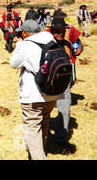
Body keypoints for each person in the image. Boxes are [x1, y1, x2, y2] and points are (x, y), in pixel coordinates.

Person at [10, 20, 65, 160]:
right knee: (44, 122)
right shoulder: (51, 40)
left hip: (33, 95)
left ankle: (38, 157)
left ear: (24, 32)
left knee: (32, 129)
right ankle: (39, 152)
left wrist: (19, 45)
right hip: (53, 93)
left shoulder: (26, 45)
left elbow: (14, 63)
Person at [47, 17, 83, 151]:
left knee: (65, 110)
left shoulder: (68, 44)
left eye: (62, 31)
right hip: (47, 83)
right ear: (51, 31)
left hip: (65, 83)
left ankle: (60, 138)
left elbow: (79, 45)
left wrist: (80, 48)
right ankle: (41, 136)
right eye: (57, 31)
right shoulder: (46, 43)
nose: (60, 33)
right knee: (44, 112)